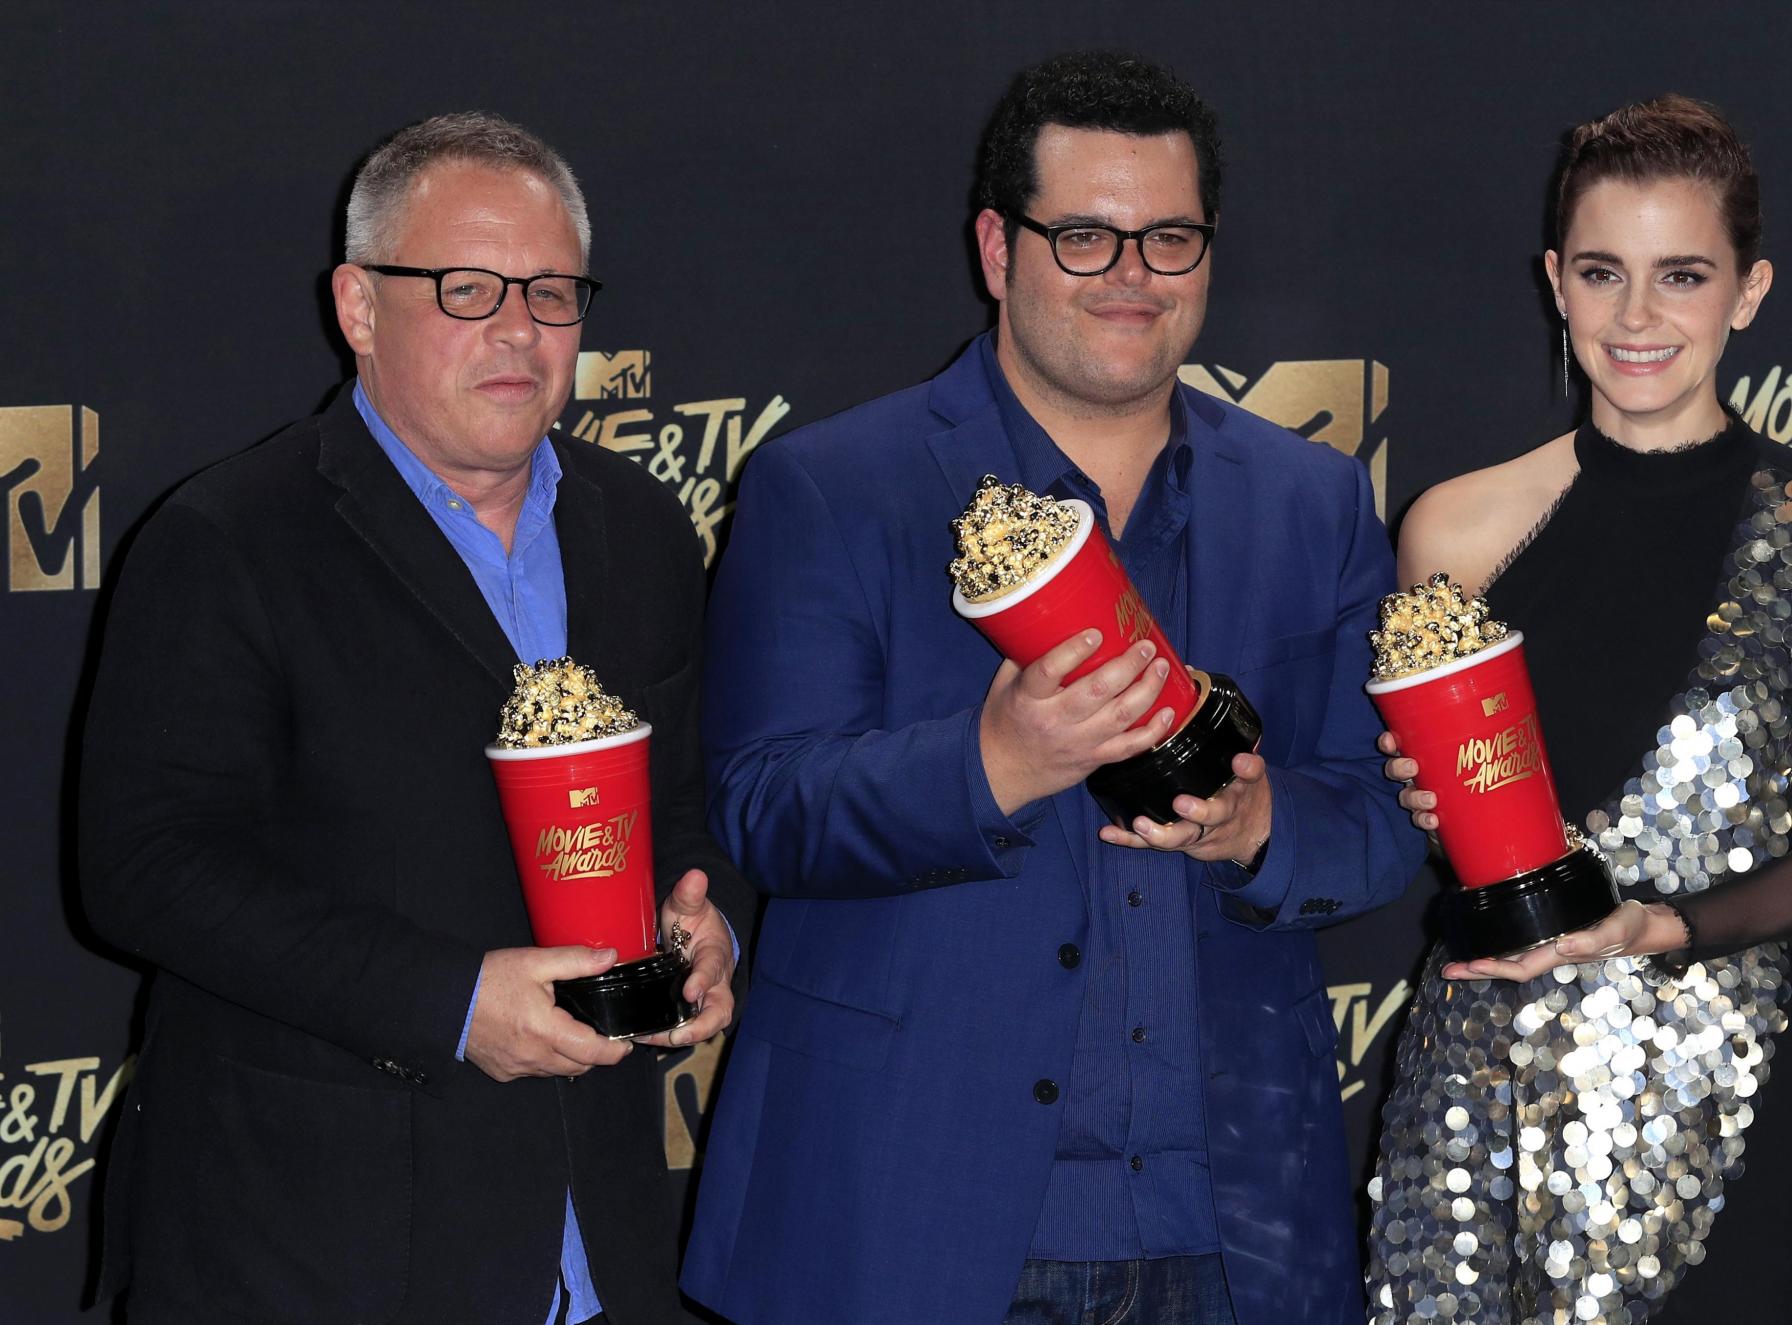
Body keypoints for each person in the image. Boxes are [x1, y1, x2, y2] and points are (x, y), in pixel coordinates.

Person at [678, 50, 1424, 1325]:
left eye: (1168, 238)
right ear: (995, 246)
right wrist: (994, 761)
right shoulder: (833, 485)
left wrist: (1259, 828)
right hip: (906, 1220)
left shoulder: (1311, 500)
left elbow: (1377, 818)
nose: (1132, 276)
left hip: (1234, 1235)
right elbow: (762, 804)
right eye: (1084, 236)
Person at [78, 112, 755, 1324]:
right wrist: (450, 999)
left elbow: (684, 803)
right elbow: (144, 866)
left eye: (552, 292)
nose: (518, 329)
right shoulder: (227, 538)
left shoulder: (641, 526)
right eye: (465, 287)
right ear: (358, 305)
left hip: (594, 1235)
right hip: (313, 1245)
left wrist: (705, 919)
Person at [1365, 95, 1792, 1324]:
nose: (1635, 318)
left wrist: (1664, 928)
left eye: (1680, 275)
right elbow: (1443, 818)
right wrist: (1425, 795)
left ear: (1747, 288)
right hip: (1487, 1104)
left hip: (1722, 1110)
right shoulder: (1450, 529)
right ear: (1552, 283)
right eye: (1600, 272)